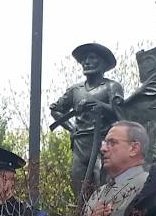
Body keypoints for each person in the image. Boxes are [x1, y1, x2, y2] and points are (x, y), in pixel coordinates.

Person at [50, 42, 124, 200]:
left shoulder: (111, 87)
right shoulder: (75, 90)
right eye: (84, 59)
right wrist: (71, 129)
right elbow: (55, 110)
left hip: (103, 144)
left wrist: (100, 106)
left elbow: (122, 114)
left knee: (103, 188)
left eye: (91, 58)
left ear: (103, 63)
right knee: (79, 191)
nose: (86, 62)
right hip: (80, 145)